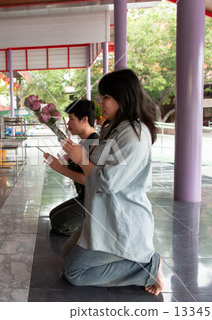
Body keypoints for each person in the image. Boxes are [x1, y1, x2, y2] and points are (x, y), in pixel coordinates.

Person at [60, 69, 164, 295]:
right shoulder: (115, 128)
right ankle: (134, 260)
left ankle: (146, 268)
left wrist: (82, 159)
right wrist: (79, 158)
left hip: (120, 220)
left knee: (73, 272)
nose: (101, 103)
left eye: (105, 97)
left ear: (122, 96)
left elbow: (108, 181)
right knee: (67, 252)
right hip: (103, 214)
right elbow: (98, 165)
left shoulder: (134, 135)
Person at [43, 99, 99, 236]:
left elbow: (90, 179)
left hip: (96, 200)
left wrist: (60, 168)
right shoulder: (85, 143)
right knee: (53, 215)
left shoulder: (94, 144)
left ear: (84, 120)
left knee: (60, 224)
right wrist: (64, 163)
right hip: (84, 197)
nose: (68, 124)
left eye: (71, 119)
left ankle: (97, 226)